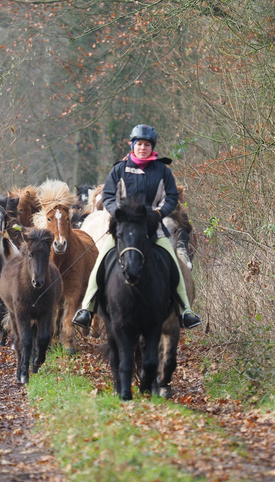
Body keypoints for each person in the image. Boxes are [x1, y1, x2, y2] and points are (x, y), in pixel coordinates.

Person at [72, 124, 202, 330]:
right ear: (132, 145)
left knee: (175, 264)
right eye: (139, 144)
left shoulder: (162, 171)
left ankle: (185, 310)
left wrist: (158, 214)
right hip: (125, 230)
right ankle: (88, 309)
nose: (143, 147)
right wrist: (119, 214)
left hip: (154, 229)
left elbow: (171, 198)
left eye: (147, 144)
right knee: (101, 262)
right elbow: (108, 196)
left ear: (152, 147)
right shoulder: (119, 170)